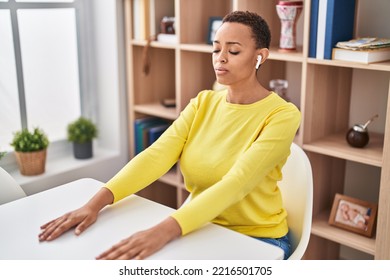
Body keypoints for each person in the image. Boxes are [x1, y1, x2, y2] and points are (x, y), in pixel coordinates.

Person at [39, 10, 301, 260]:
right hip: (203, 228)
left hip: (259, 240)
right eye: (216, 48)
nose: (220, 57)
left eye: (233, 50)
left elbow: (237, 183)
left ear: (260, 56)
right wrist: (94, 204)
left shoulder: (282, 115)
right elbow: (157, 155)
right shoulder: (203, 103)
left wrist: (163, 231)